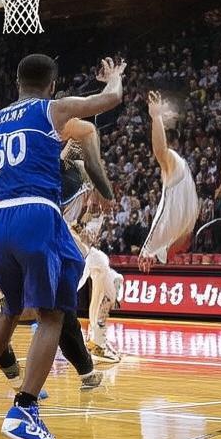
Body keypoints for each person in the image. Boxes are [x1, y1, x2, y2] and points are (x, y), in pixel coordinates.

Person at [0, 54, 125, 439]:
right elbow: (110, 99)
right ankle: (25, 409)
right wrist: (113, 76)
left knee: (10, 310)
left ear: (17, 81)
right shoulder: (55, 109)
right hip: (37, 213)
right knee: (52, 315)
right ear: (51, 84)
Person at [60, 126, 123, 362]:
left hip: (80, 248)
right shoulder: (67, 172)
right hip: (65, 249)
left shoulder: (90, 187)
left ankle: (97, 342)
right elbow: (68, 156)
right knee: (53, 312)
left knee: (109, 274)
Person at [138, 91, 199, 273]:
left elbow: (160, 150)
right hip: (167, 252)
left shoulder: (174, 161)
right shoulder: (183, 169)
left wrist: (156, 117)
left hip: (158, 255)